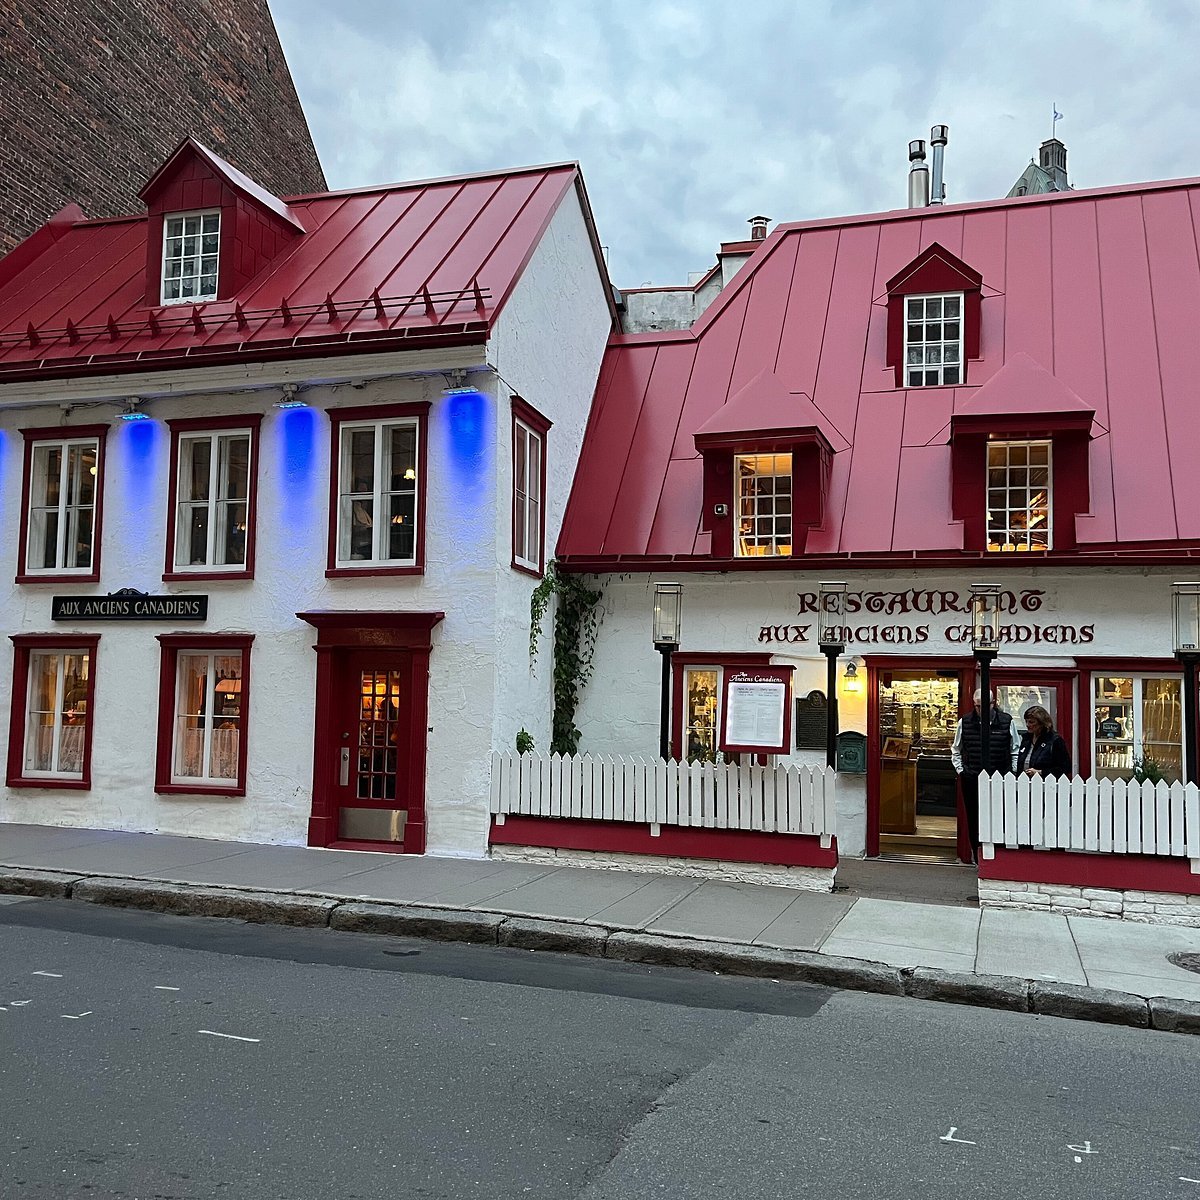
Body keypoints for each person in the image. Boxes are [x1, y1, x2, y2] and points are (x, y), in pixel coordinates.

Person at [951, 689, 1020, 864]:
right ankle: (976, 853)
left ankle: (998, 853)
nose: (980, 710)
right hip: (972, 777)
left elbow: (1015, 749)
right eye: (977, 706)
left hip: (1000, 777)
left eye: (984, 706)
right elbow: (956, 749)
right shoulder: (965, 722)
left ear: (993, 703)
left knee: (1001, 815)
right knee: (974, 817)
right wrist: (962, 771)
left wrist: (1011, 772)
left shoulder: (1006, 721)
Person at [1017, 705, 1072, 779]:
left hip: (1047, 785)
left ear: (1041, 723)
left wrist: (1041, 772)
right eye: (1026, 721)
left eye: (1031, 722)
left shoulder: (1055, 740)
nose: (1027, 725)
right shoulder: (1026, 739)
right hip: (1024, 783)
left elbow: (1065, 768)